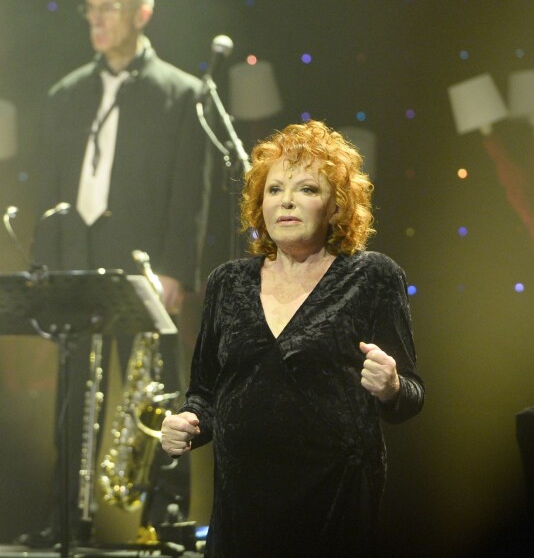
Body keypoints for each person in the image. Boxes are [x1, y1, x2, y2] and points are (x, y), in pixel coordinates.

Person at [161, 120, 425, 557]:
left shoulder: (372, 276)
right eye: (274, 189)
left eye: (307, 189)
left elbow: (411, 396)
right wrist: (186, 425)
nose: (286, 201)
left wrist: (392, 386)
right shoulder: (228, 282)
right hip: (242, 501)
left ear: (337, 208)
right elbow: (205, 393)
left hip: (333, 499)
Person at [23, 0, 206, 546]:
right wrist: (46, 267)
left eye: (110, 8)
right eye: (91, 9)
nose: (97, 20)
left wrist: (176, 269)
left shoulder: (182, 92)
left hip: (144, 265)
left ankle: (165, 518)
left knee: (156, 395)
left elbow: (189, 192)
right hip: (77, 265)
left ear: (142, 14)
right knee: (75, 398)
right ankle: (65, 520)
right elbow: (52, 188)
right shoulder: (67, 93)